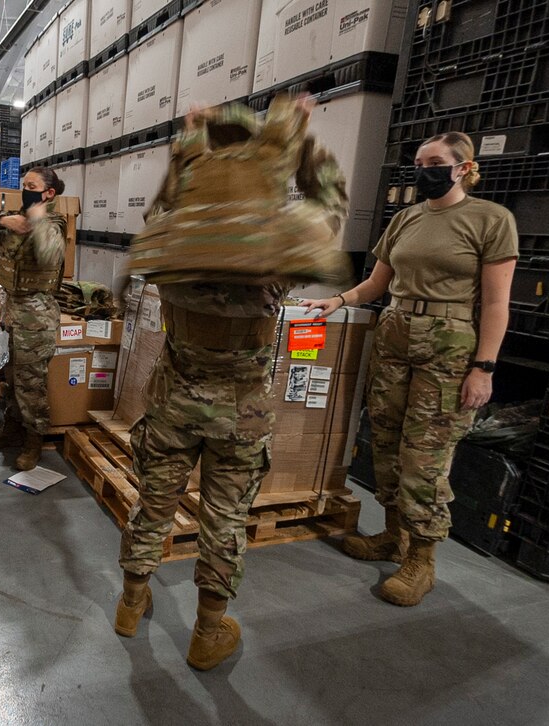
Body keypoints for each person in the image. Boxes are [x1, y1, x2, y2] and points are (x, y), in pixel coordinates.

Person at [116, 97, 348, 670]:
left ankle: (130, 602)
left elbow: (162, 206)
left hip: (174, 401)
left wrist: (188, 147)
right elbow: (330, 204)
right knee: (225, 519)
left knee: (154, 503)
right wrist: (303, 140)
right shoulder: (277, 253)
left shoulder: (172, 244)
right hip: (241, 413)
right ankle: (208, 631)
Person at [304, 131, 517, 607]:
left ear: (463, 167)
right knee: (384, 442)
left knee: (426, 456)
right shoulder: (405, 218)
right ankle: (393, 536)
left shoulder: (490, 219)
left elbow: (499, 303)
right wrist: (336, 300)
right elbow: (377, 283)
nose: (424, 170)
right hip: (395, 338)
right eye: (419, 162)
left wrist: (484, 367)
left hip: (448, 346)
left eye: (435, 161)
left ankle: (421, 559)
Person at [0, 167, 68, 471]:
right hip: (11, 309)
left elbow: (51, 254)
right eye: (23, 184)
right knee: (11, 377)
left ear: (49, 193)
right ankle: (12, 429)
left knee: (31, 382)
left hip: (36, 315)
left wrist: (36, 219)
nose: (25, 190)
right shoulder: (14, 218)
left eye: (32, 186)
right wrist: (3, 220)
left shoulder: (52, 224)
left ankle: (33, 440)